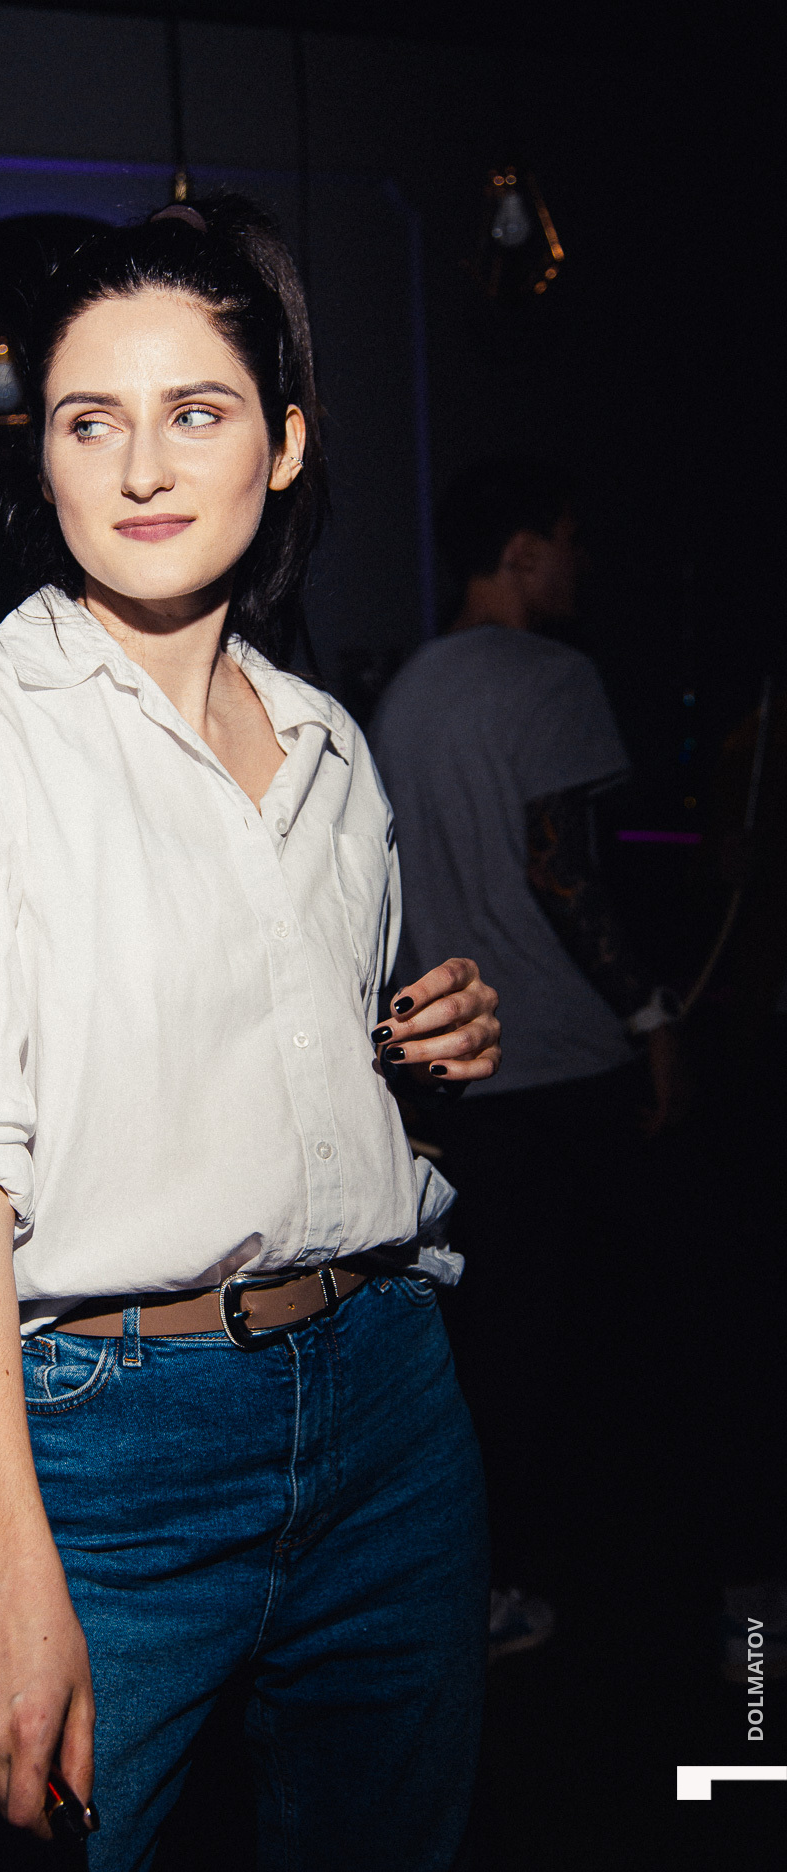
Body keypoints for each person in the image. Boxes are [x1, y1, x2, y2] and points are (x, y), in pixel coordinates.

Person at [0, 197, 503, 1872]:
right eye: (91, 420)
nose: (142, 465)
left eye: (195, 412)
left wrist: (419, 1060)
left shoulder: (331, 743)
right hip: (111, 1445)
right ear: (45, 458)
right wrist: (7, 1567)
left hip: (390, 1397)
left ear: (281, 446)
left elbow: (292, 1069)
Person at [369, 458, 686, 1658]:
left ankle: (491, 1591)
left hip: (460, 1076)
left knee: (493, 1349)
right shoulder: (552, 674)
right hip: (561, 1058)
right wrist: (649, 1015)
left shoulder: (401, 693)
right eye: (564, 537)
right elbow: (560, 869)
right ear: (517, 552)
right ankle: (689, 1621)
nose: (578, 561)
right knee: (632, 1345)